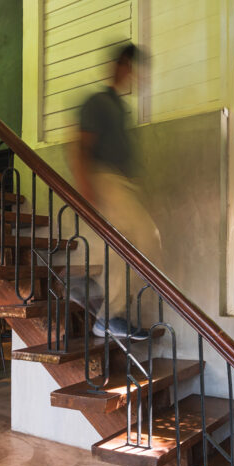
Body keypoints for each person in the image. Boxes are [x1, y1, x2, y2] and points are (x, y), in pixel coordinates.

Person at [71, 43, 161, 340]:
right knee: (143, 240)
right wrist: (85, 186)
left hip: (122, 184)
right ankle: (107, 313)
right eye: (133, 69)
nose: (136, 77)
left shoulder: (121, 108)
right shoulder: (98, 102)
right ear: (121, 66)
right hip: (105, 180)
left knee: (129, 248)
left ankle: (100, 303)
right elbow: (80, 145)